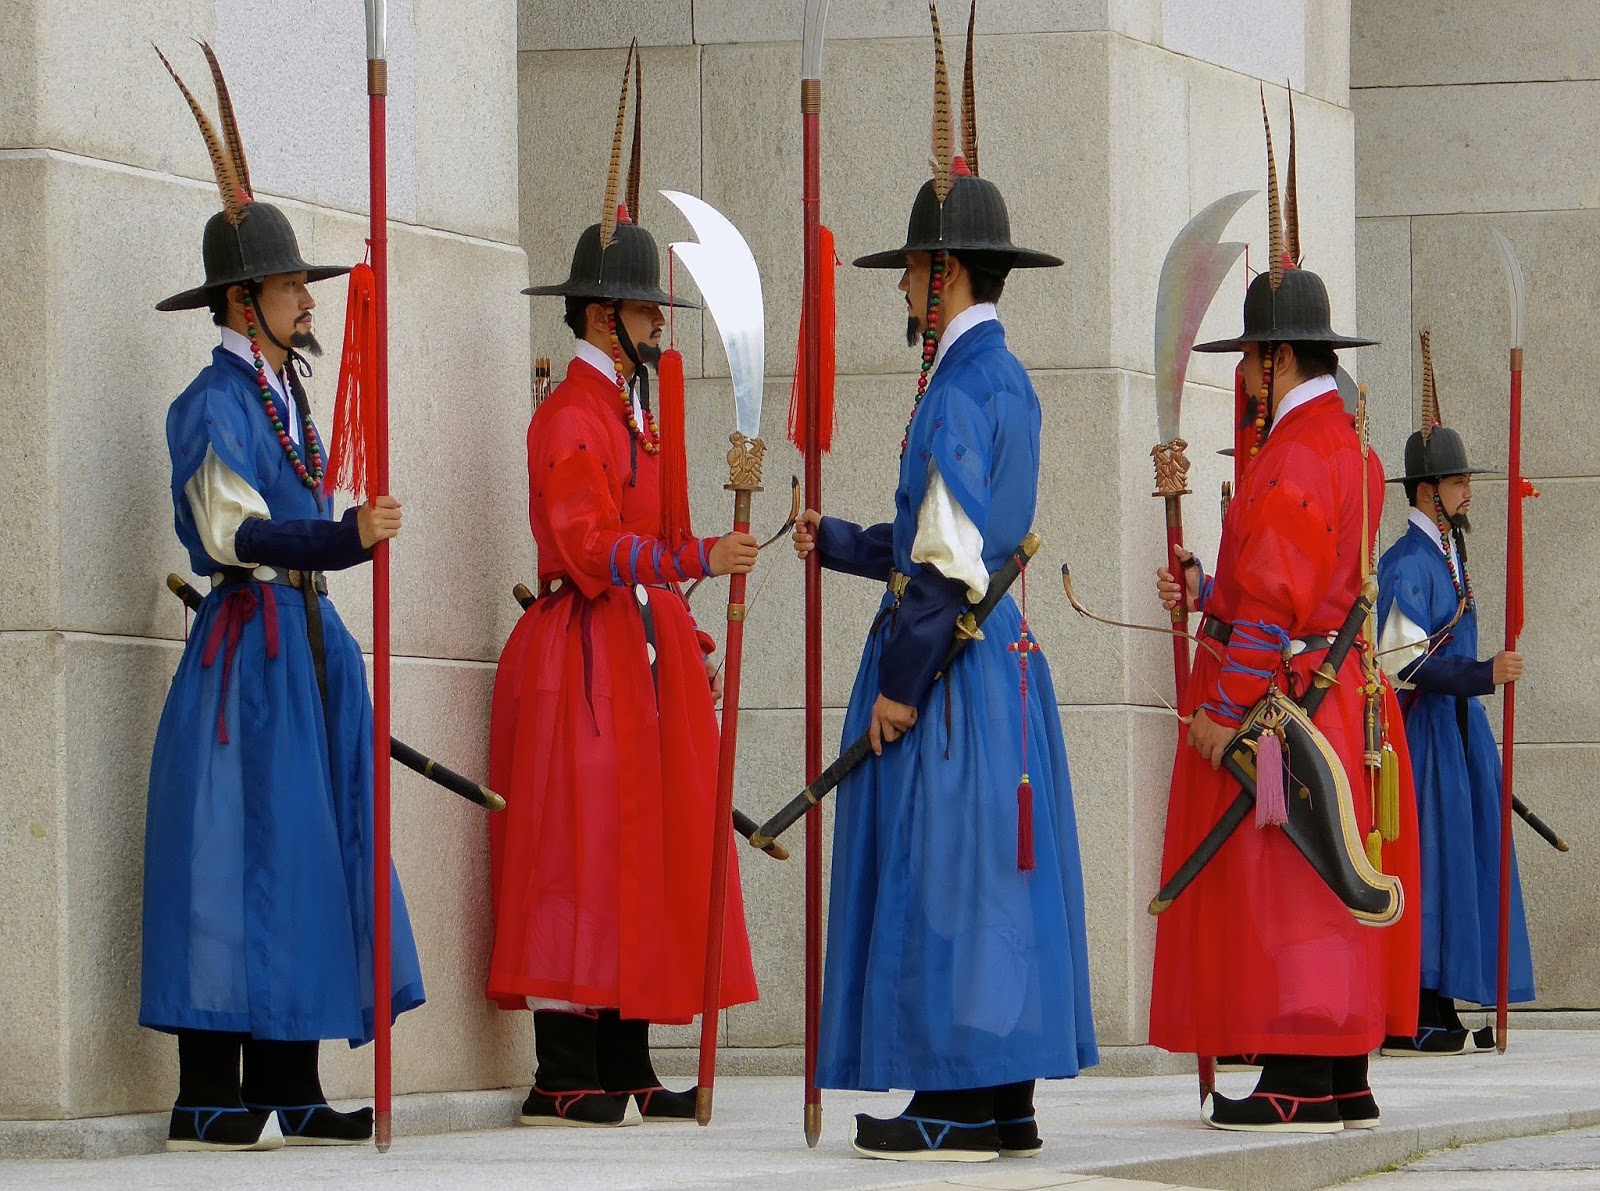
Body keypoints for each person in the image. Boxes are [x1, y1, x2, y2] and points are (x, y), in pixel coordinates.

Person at [793, 2, 1097, 1163]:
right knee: (992, 883)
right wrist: (835, 540)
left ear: (945, 271)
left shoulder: (963, 386)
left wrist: (902, 681)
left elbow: (948, 555)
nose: (901, 291)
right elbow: (942, 530)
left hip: (952, 667)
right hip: (996, 661)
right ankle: (1001, 1097)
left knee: (950, 877)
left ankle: (955, 1102)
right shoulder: (999, 377)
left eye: (912, 271)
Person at [142, 44, 423, 1152]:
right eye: (293, 285)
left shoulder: (283, 395)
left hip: (306, 643)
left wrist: (336, 548)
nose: (310, 300)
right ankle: (211, 1090)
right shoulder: (210, 403)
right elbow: (235, 532)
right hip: (249, 654)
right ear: (242, 300)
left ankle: (293, 1080)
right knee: (233, 857)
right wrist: (343, 537)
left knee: (313, 849)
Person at [486, 42, 759, 1129]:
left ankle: (631, 1057)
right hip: (581, 653)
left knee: (643, 845)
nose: (659, 327)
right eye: (647, 313)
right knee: (581, 846)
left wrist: (687, 626)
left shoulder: (633, 409)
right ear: (605, 319)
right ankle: (566, 1067)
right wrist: (693, 563)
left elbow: (651, 542)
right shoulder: (570, 416)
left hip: (636, 647)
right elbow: (594, 547)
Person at [1147, 95, 1419, 1133]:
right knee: (1329, 869)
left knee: (1292, 880)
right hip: (1338, 697)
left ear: (1276, 360)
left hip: (1284, 701)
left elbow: (1272, 598)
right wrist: (1206, 590)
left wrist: (1224, 708)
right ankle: (1342, 1070)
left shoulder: (1295, 455)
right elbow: (1290, 583)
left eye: (1251, 359)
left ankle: (1298, 1076)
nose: (1245, 376)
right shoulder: (1345, 446)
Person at [1376, 331, 1534, 1057]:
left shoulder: (1447, 551)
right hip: (1425, 734)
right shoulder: (1407, 560)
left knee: (1460, 859)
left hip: (1459, 732)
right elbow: (1401, 662)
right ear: (1425, 492)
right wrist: (1482, 674)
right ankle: (1416, 1006)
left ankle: (1440, 999)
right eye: (1458, 480)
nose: (1468, 490)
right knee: (1429, 862)